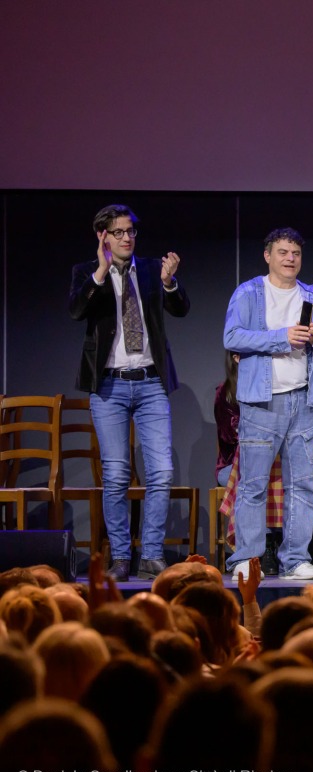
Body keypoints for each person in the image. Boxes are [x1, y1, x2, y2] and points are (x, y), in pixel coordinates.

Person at [68, 204, 190, 581]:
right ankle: (121, 556)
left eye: (130, 232)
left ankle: (151, 555)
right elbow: (76, 311)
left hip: (151, 382)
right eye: (118, 232)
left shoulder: (153, 269)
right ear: (103, 236)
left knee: (161, 472)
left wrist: (170, 282)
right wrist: (101, 271)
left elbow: (181, 308)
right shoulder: (86, 273)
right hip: (108, 385)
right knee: (117, 473)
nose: (126, 238)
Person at [222, 227, 313, 581]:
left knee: (302, 485)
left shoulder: (311, 295)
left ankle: (296, 560)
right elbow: (232, 336)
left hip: (302, 402)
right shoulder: (249, 293)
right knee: (253, 485)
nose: (290, 259)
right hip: (261, 402)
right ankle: (248, 559)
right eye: (283, 252)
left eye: (296, 254)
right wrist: (281, 337)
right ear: (268, 255)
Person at [214, 350, 239, 487]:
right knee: (255, 476)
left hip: (267, 466)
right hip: (231, 467)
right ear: (237, 358)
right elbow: (229, 435)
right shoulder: (224, 393)